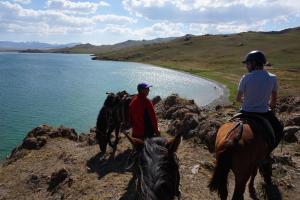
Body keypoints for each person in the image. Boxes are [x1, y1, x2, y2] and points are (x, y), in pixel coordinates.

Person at [236, 50, 284, 149]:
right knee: (279, 130)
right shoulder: (273, 78)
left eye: (248, 63)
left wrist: (248, 101)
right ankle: (268, 153)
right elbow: (274, 98)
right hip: (263, 112)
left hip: (245, 111)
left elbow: (238, 98)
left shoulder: (245, 78)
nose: (246, 66)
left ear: (254, 63)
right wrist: (271, 106)